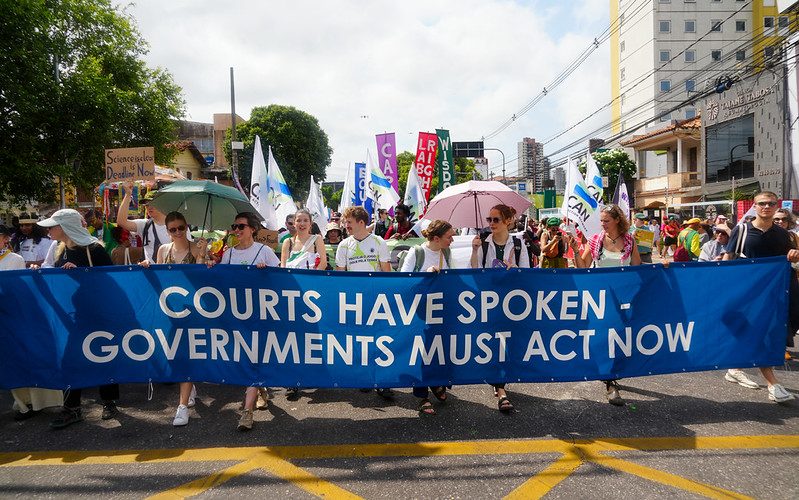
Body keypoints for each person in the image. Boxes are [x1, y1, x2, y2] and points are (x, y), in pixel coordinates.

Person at [35, 209, 119, 429]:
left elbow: (111, 283)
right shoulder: (59, 250)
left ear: (65, 227)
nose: (49, 230)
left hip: (98, 315)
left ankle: (109, 402)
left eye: (52, 226)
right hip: (72, 316)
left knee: (102, 356)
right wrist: (38, 272)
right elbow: (57, 282)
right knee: (70, 359)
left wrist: (82, 274)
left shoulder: (95, 250)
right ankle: (72, 408)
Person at [722, 191, 799, 402]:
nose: (766, 207)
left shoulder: (784, 235)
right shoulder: (743, 230)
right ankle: (773, 384)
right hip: (747, 294)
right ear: (755, 206)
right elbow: (728, 258)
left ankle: (735, 369)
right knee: (759, 334)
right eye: (762, 203)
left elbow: (790, 260)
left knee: (763, 333)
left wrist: (794, 255)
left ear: (776, 207)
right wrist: (725, 289)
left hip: (773, 295)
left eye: (771, 204)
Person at [210, 212, 279, 430]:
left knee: (253, 356)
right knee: (244, 358)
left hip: (259, 314)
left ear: (252, 229)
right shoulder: (228, 254)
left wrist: (266, 273)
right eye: (234, 226)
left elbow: (282, 280)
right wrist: (212, 267)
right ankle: (260, 388)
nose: (237, 230)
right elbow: (220, 282)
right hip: (236, 315)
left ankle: (247, 412)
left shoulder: (264, 251)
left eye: (241, 226)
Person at [140, 212, 207, 426]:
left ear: (187, 227)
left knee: (185, 355)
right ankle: (190, 387)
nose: (178, 232)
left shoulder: (196, 247)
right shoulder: (162, 250)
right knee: (175, 354)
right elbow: (160, 279)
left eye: (181, 227)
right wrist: (146, 267)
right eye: (173, 229)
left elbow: (199, 278)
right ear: (167, 231)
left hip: (192, 310)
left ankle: (182, 406)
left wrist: (203, 255)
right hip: (170, 311)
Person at [573, 204, 641, 406]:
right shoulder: (595, 241)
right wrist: (576, 250)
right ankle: (610, 382)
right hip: (601, 298)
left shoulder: (630, 240)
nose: (602, 224)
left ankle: (611, 374)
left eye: (606, 221)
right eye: (601, 221)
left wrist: (663, 267)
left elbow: (637, 267)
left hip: (623, 297)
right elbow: (583, 266)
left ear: (617, 220)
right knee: (604, 336)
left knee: (618, 336)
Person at [470, 204, 530, 413]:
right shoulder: (484, 244)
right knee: (495, 343)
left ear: (508, 221)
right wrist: (475, 250)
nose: (491, 224)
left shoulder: (519, 243)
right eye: (489, 220)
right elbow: (475, 272)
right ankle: (501, 388)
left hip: (512, 301)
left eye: (496, 220)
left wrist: (516, 270)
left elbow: (527, 273)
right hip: (491, 301)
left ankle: (500, 381)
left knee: (509, 342)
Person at [0, 224, 64, 420]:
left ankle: (28, 403)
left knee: (17, 360)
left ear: (4, 239)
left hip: (11, 318)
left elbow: (19, 292)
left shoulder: (14, 260)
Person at [336, 206, 394, 400]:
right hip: (354, 301)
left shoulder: (379, 242)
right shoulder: (344, 245)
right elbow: (339, 274)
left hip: (377, 299)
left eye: (349, 222)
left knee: (379, 339)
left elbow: (386, 271)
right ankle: (365, 377)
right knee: (360, 340)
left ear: (361, 223)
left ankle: (383, 381)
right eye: (345, 222)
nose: (346, 226)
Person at [399, 220, 455, 415]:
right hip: (418, 311)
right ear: (437, 238)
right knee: (421, 352)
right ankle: (421, 396)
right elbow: (403, 282)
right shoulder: (417, 253)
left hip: (439, 310)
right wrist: (426, 275)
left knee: (438, 349)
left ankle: (436, 383)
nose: (453, 240)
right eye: (450, 237)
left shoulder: (446, 253)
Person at [116, 182, 168, 264]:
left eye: (152, 203)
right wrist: (128, 194)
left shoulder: (177, 226)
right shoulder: (145, 225)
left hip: (173, 273)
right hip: (151, 274)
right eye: (146, 205)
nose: (149, 207)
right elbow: (121, 221)